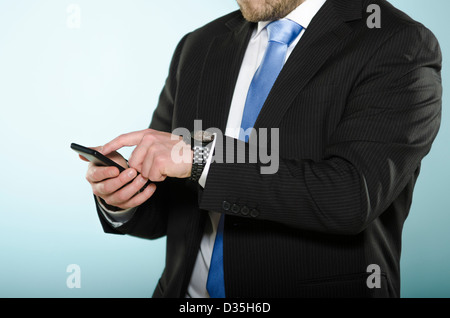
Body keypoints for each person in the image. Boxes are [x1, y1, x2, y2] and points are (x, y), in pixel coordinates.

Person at [82, 0, 442, 298]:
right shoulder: (199, 45)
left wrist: (201, 159)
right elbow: (169, 208)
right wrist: (123, 195)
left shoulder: (397, 43)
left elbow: (351, 197)